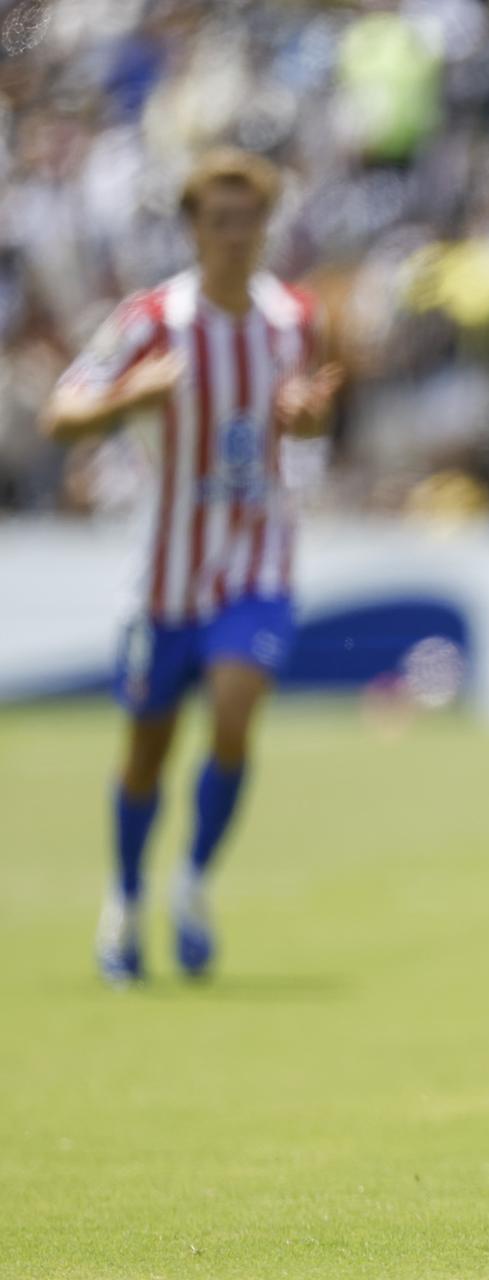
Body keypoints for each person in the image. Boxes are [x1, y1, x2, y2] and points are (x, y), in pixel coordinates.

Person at [40, 147, 342, 986]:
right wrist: (126, 402)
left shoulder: (292, 319)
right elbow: (60, 413)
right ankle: (127, 899)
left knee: (237, 716)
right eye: (221, 222)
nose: (238, 237)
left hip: (258, 557)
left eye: (250, 221)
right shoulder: (151, 320)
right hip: (167, 570)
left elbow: (308, 420)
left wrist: (310, 421)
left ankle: (194, 884)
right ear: (193, 230)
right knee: (148, 750)